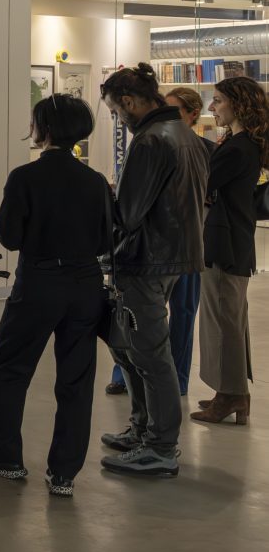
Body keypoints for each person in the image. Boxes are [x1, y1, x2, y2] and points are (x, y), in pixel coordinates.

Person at [0, 94, 110, 497]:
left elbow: (9, 235)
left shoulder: (25, 177)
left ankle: (5, 456)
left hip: (39, 282)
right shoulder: (95, 181)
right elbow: (106, 238)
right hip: (85, 285)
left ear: (41, 129)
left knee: (9, 369)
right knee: (77, 380)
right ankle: (63, 474)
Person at [98, 63, 207, 478]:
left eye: (114, 110)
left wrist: (100, 207)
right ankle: (144, 430)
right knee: (132, 347)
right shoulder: (185, 135)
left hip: (148, 258)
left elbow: (128, 213)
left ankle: (159, 445)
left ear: (129, 102)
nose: (117, 117)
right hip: (172, 255)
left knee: (146, 351)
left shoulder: (150, 142)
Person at [106, 86, 214, 396]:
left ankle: (174, 384)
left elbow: (130, 211)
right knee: (141, 325)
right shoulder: (163, 142)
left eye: (175, 109)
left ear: (192, 115)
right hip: (169, 247)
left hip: (173, 247)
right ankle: (130, 381)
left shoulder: (193, 147)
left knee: (173, 317)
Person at [191, 76, 269, 425]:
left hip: (224, 244)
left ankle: (231, 395)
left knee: (223, 322)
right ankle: (233, 392)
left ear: (237, 104)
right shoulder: (243, 144)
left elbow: (203, 184)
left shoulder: (238, 147)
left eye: (218, 100)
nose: (212, 107)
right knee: (229, 321)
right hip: (233, 241)